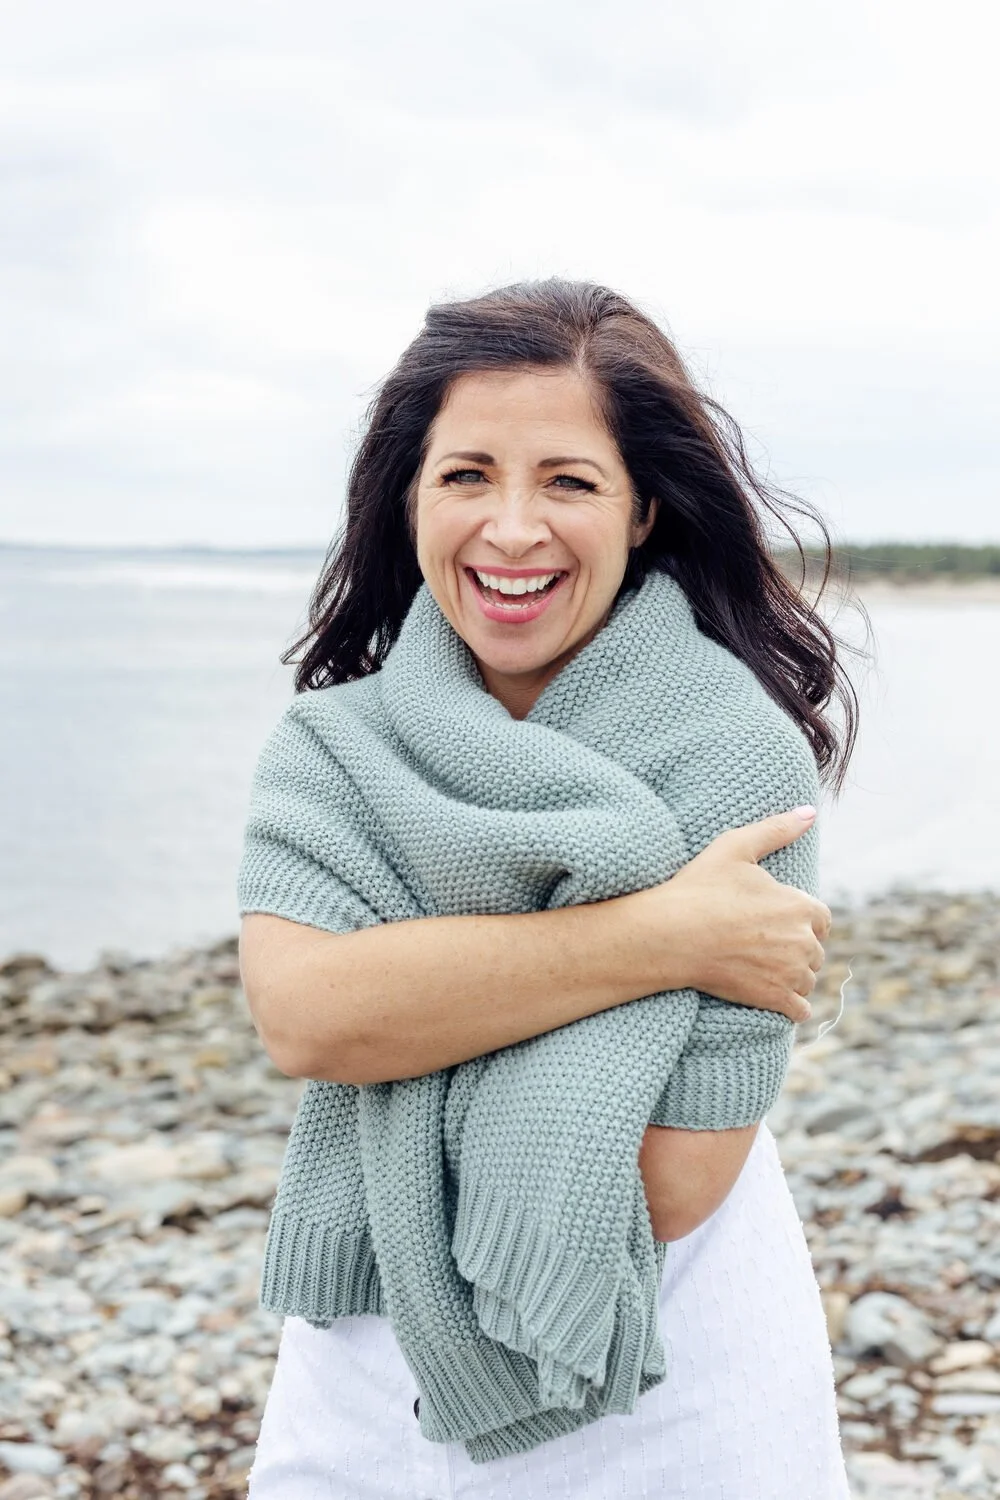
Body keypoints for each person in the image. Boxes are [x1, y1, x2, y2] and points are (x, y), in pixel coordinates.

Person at [240, 278, 858, 1498]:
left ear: (640, 513)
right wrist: (663, 938)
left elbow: (675, 1182)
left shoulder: (735, 757)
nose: (511, 529)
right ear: (409, 498)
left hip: (662, 1374)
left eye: (567, 482)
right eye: (466, 475)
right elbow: (308, 1018)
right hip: (361, 1364)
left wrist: (416, 998)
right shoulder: (331, 749)